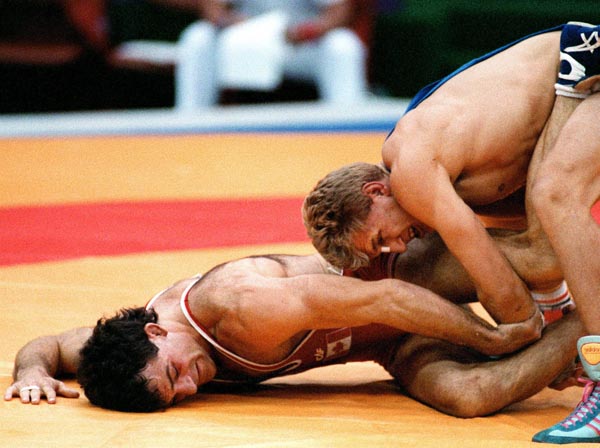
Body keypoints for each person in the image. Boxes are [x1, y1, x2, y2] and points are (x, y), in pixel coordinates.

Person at [303, 21, 600, 443]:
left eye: (379, 238)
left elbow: (507, 294)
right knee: (548, 221)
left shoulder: (412, 173)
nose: (398, 247)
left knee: (556, 198)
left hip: (585, 64)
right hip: (576, 82)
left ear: (376, 192)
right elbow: (543, 261)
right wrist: (556, 326)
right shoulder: (468, 185)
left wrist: (518, 343)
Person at [5, 222, 585, 420]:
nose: (191, 386)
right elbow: (53, 345)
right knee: (470, 396)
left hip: (402, 277)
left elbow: (383, 297)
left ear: (157, 330)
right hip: (392, 345)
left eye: (177, 373)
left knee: (538, 259)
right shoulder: (126, 353)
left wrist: (497, 336)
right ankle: (583, 327)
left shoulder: (237, 305)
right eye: (175, 395)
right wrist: (31, 371)